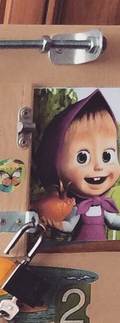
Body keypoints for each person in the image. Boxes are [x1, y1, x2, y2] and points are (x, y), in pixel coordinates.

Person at [34, 89, 120, 241]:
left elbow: (113, 221)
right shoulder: (77, 207)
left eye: (107, 156)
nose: (99, 167)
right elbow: (70, 226)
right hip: (79, 249)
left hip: (102, 249)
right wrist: (59, 225)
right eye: (82, 158)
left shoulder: (104, 206)